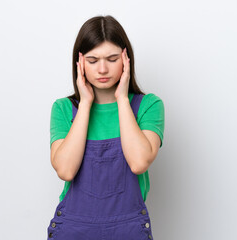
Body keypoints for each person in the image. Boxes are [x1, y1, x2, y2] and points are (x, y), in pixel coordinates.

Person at [47, 15, 164, 240]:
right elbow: (65, 170)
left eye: (112, 59)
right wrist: (86, 103)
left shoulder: (148, 106)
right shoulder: (63, 109)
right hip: (74, 230)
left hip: (128, 230)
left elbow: (139, 162)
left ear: (126, 59)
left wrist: (122, 99)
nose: (102, 69)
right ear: (79, 63)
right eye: (92, 60)